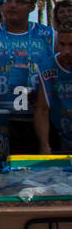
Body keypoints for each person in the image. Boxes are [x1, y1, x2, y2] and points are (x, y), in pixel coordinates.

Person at [0, 0, 55, 154]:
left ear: (32, 7)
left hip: (40, 120)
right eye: (8, 0)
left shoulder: (48, 35)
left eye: (20, 2)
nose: (12, 5)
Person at [35, 20, 72, 153]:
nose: (66, 51)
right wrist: (44, 145)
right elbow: (42, 109)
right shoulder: (47, 67)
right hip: (64, 137)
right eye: (62, 44)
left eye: (71, 45)